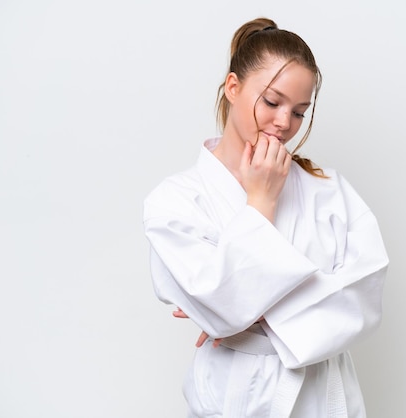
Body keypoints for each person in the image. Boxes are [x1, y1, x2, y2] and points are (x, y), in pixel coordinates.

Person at [143, 17, 388, 418]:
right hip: (230, 398)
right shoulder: (175, 200)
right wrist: (260, 202)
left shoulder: (329, 190)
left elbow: (364, 298)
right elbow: (224, 308)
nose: (284, 123)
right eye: (272, 102)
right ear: (233, 87)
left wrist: (241, 310)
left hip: (320, 397)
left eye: (299, 112)